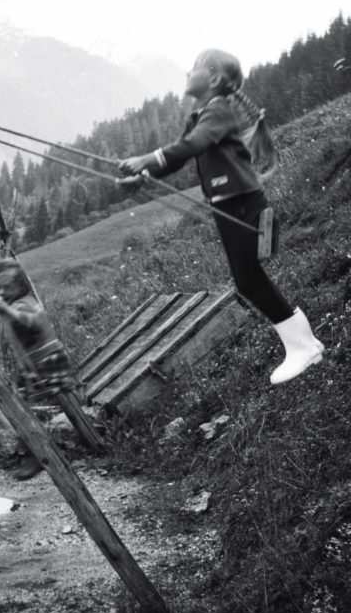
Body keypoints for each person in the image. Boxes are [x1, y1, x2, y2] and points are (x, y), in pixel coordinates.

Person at [117, 48, 324, 385]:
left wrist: (146, 158)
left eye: (195, 67)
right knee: (247, 279)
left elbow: (195, 144)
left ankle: (303, 347)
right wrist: (144, 173)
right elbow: (180, 156)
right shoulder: (202, 115)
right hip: (229, 205)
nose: (188, 72)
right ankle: (304, 344)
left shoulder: (217, 112)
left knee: (248, 279)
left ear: (213, 78)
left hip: (243, 203)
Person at [0, 257, 75, 479]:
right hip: (36, 365)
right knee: (16, 409)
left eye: (8, 287)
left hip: (46, 364)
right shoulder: (20, 301)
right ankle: (37, 448)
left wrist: (7, 310)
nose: (3, 291)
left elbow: (32, 322)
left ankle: (37, 452)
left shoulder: (23, 304)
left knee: (13, 411)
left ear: (20, 286)